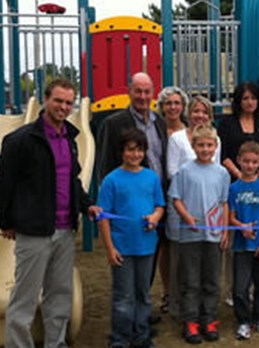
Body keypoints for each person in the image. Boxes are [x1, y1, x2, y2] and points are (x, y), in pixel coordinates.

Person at [0, 79, 101, 347]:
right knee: (24, 299)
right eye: (58, 100)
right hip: (34, 232)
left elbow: (72, 181)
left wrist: (87, 205)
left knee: (60, 296)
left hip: (65, 231)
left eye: (68, 102)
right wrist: (4, 221)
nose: (63, 107)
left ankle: (56, 343)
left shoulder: (70, 139)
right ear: (46, 100)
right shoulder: (20, 140)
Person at [98, 129, 165, 348]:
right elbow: (103, 217)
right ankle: (120, 338)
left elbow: (159, 206)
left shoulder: (151, 177)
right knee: (123, 297)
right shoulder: (111, 181)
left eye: (139, 150)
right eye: (130, 150)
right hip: (122, 248)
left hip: (146, 246)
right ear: (121, 152)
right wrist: (110, 248)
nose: (135, 154)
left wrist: (155, 216)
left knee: (143, 294)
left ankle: (141, 334)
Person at [168, 125, 230, 344]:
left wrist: (224, 230)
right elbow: (176, 198)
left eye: (209, 145)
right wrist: (187, 217)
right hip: (190, 236)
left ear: (215, 147)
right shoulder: (184, 171)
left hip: (213, 236)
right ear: (193, 146)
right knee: (191, 281)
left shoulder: (222, 173)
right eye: (200, 145)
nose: (205, 149)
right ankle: (191, 321)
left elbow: (224, 203)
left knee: (212, 280)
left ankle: (209, 319)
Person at [165, 95, 222, 320]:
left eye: (204, 111)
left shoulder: (214, 138)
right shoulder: (178, 138)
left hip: (208, 209)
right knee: (182, 261)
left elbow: (216, 172)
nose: (199, 115)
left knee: (207, 265)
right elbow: (172, 172)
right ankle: (179, 307)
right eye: (196, 111)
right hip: (183, 206)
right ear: (189, 113)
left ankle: (204, 310)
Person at [228, 141, 259, 340]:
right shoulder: (234, 188)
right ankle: (243, 321)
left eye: (254, 162)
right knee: (240, 287)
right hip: (241, 246)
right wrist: (242, 227)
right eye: (245, 161)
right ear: (239, 161)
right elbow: (230, 217)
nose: (249, 165)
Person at [155, 86, 189, 314]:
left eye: (177, 103)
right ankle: (168, 291)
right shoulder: (155, 129)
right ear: (162, 107)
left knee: (181, 244)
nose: (173, 107)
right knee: (163, 245)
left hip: (183, 194)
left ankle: (184, 291)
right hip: (159, 189)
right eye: (168, 103)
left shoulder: (189, 132)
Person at [98, 72, 167, 184]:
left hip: (158, 194)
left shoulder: (160, 122)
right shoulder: (113, 124)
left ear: (153, 93)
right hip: (129, 194)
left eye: (147, 92)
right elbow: (106, 165)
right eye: (138, 91)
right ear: (129, 92)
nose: (143, 97)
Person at [218, 82, 259, 181]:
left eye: (253, 98)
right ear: (238, 101)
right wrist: (239, 175)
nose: (250, 102)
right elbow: (223, 154)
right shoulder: (226, 124)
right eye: (245, 98)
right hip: (233, 180)